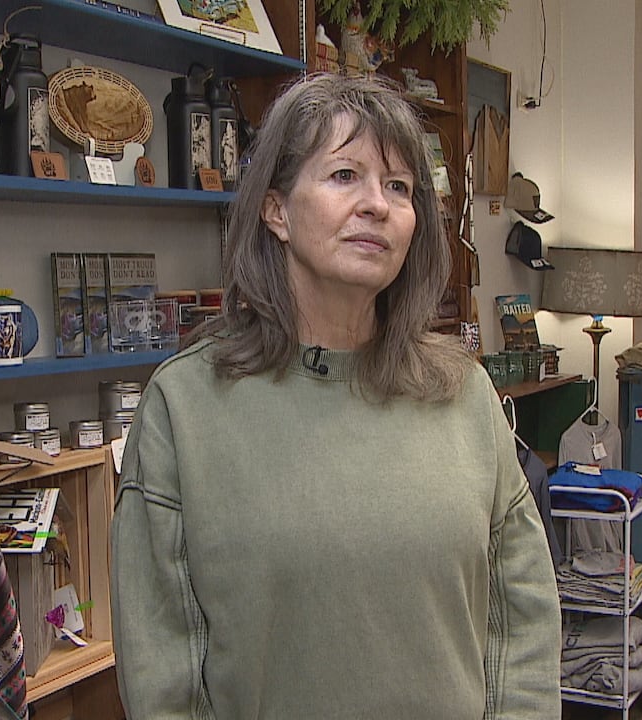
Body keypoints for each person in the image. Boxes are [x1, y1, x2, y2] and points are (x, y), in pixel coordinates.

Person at [111, 73, 562, 719]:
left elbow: (521, 616)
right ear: (276, 209)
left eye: (399, 186)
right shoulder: (187, 406)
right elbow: (165, 666)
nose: (376, 204)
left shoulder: (462, 392)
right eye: (345, 175)